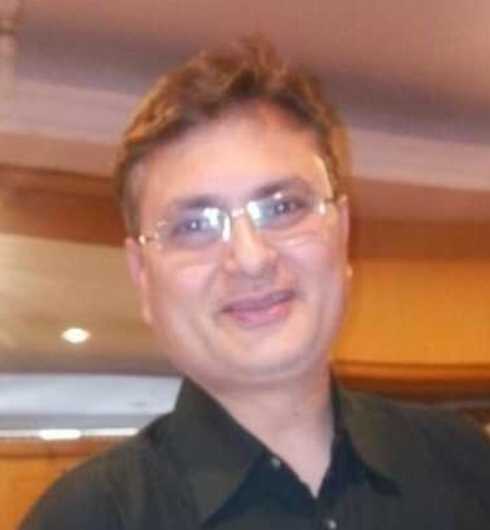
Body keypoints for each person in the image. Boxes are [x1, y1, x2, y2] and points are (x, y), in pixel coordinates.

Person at [21, 37, 490, 530]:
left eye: (283, 207)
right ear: (142, 277)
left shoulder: (465, 466)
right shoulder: (85, 518)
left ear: (342, 232)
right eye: (194, 226)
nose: (251, 259)